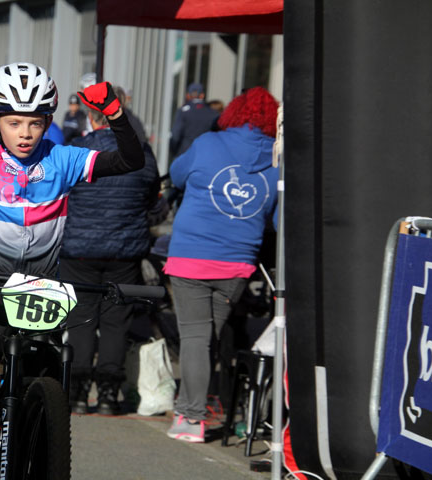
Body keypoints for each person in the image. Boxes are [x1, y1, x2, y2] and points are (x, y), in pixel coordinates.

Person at [0, 62, 144, 479]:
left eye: (35, 123)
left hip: (42, 285)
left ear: (48, 122)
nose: (26, 133)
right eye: (14, 123)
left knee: (50, 364)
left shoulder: (63, 159)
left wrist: (115, 112)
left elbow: (129, 160)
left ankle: (39, 435)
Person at [163, 86, 279, 443]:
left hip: (192, 255)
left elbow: (177, 174)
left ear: (233, 113)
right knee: (206, 337)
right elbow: (277, 220)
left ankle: (191, 418)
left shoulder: (208, 144)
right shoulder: (276, 164)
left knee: (196, 338)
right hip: (238, 261)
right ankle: (194, 405)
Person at [59, 106, 160, 415]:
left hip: (79, 248)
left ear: (93, 119)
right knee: (117, 322)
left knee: (80, 320)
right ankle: (107, 394)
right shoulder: (142, 153)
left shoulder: (77, 148)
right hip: (124, 250)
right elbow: (153, 198)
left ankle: (75, 392)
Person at [169, 82, 219, 158]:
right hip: (205, 153)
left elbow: (176, 135)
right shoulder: (213, 112)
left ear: (188, 95)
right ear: (202, 95)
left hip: (185, 153)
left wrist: (174, 151)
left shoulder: (183, 111)